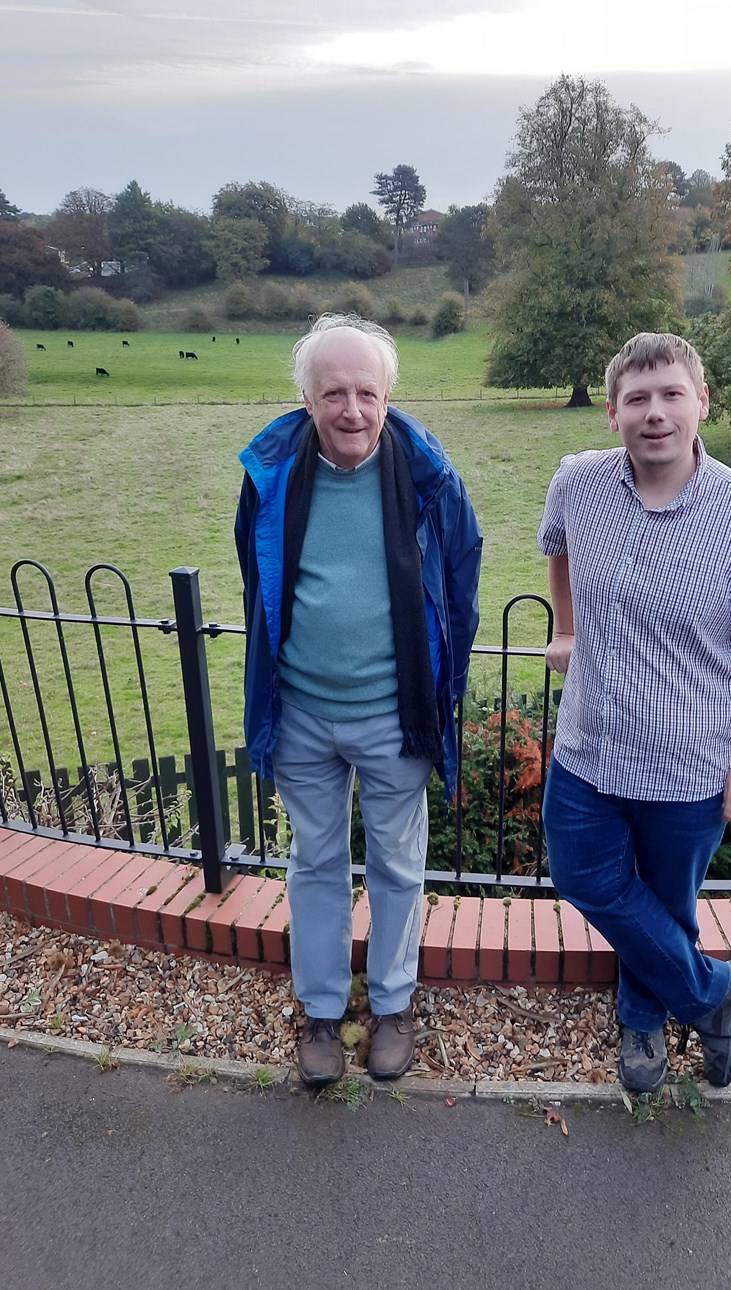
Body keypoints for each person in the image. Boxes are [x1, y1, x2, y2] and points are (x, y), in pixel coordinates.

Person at [538, 331, 731, 1093]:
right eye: (637, 398)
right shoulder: (578, 484)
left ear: (701, 402)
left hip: (689, 764)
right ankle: (711, 991)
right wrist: (566, 628)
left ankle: (643, 1020)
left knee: (666, 904)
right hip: (588, 749)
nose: (654, 413)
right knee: (583, 875)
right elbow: (558, 548)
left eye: (670, 395)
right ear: (612, 412)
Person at [235, 314, 482, 1087]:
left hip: (393, 713)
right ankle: (318, 1012)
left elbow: (462, 579)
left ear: (388, 397)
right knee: (314, 861)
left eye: (366, 392)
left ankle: (394, 1004)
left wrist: (441, 688)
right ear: (305, 400)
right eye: (333, 392)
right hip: (301, 710)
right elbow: (258, 574)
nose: (352, 410)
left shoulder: (428, 475)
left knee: (399, 866)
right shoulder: (271, 474)